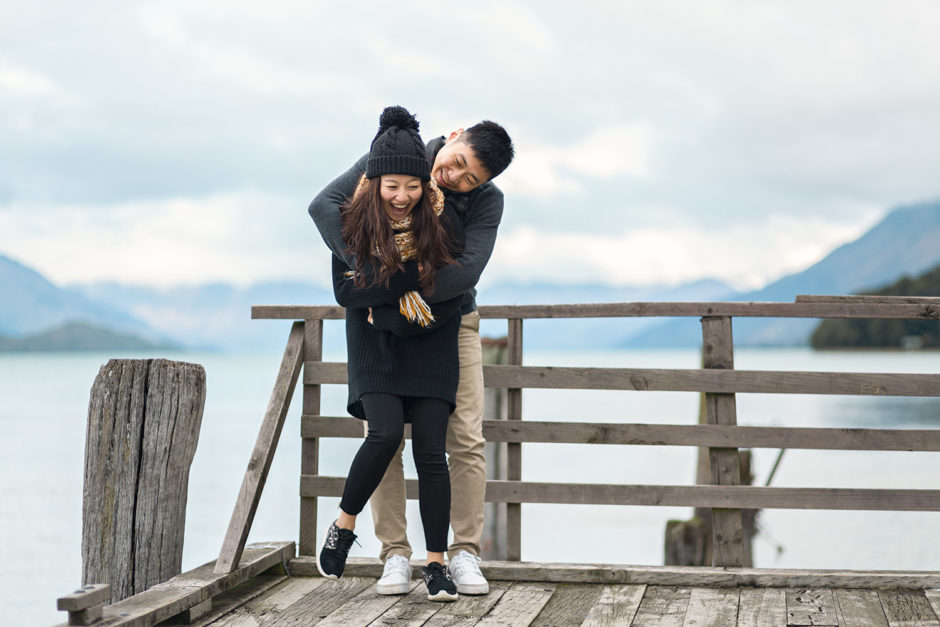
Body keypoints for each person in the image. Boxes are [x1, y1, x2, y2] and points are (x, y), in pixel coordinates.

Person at [309, 110, 514, 596]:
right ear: (455, 135)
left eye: (471, 178)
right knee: (383, 437)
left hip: (450, 322)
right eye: (458, 162)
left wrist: (403, 301)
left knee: (462, 437)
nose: (456, 178)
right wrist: (374, 272)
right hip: (377, 313)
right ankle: (394, 554)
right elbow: (325, 206)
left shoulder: (487, 202)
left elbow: (465, 273)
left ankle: (462, 553)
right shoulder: (401, 154)